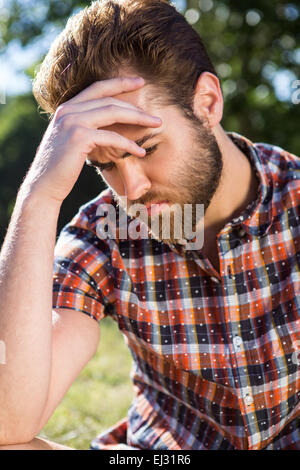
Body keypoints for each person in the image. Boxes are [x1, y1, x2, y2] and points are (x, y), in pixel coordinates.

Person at [0, 0, 299, 451]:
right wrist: (38, 195)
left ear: (208, 103)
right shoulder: (102, 232)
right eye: (105, 165)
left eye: (148, 148)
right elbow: (7, 422)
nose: (132, 189)